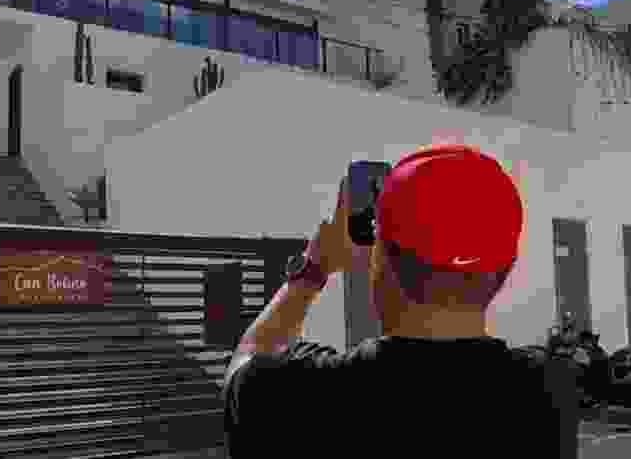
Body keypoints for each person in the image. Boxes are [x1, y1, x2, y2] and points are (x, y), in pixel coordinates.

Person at [221, 144, 580, 458]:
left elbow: (246, 361)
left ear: (380, 264)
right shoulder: (548, 390)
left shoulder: (296, 399)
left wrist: (312, 272)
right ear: (505, 271)